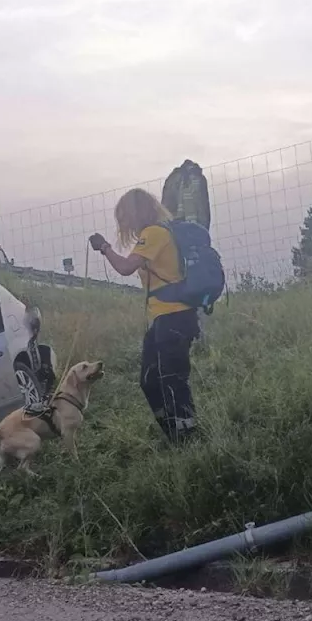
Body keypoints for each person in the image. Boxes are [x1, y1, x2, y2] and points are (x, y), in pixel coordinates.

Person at [89, 188, 200, 443]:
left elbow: (126, 267)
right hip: (163, 319)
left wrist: (105, 247)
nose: (123, 223)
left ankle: (189, 438)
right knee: (150, 381)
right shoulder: (155, 234)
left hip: (175, 316)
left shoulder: (154, 233)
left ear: (136, 212)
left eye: (125, 216)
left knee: (173, 379)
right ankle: (173, 433)